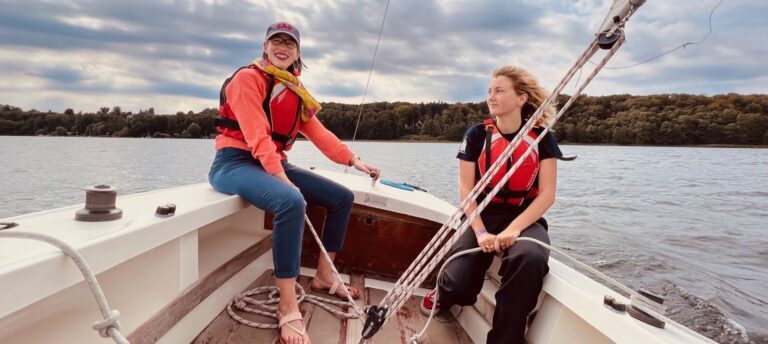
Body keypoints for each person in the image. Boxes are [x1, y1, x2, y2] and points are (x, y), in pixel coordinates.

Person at [209, 22, 380, 344]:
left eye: (290, 43)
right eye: (277, 41)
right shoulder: (247, 79)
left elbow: (319, 134)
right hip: (234, 162)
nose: (282, 46)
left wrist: (354, 161)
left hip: (273, 162)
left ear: (298, 51)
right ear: (265, 46)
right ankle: (287, 306)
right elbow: (257, 135)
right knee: (291, 201)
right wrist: (282, 178)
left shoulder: (293, 89)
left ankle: (325, 275)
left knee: (341, 197)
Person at [420, 65, 563, 344]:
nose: (491, 97)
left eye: (499, 91)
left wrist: (514, 229)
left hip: (524, 217)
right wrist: (482, 232)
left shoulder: (542, 138)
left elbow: (547, 194)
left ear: (521, 98)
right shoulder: (476, 135)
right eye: (489, 91)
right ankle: (444, 293)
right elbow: (466, 189)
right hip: (482, 214)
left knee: (530, 258)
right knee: (457, 282)